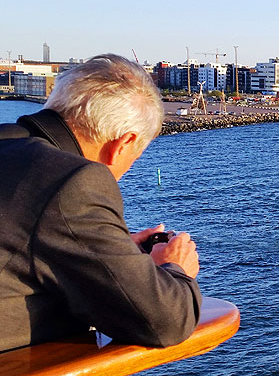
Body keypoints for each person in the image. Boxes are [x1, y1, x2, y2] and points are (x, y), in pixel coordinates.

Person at [0, 54, 201, 353]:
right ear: (122, 144)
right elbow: (165, 321)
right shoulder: (74, 181)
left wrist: (110, 254)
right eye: (134, 159)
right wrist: (175, 268)